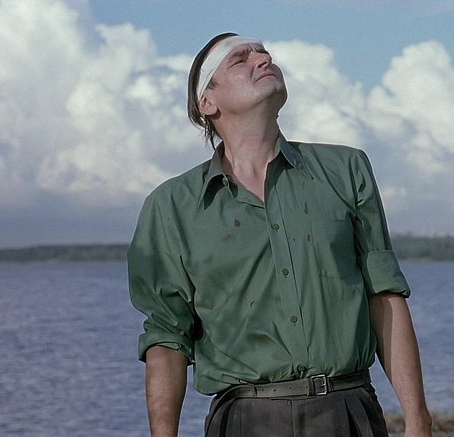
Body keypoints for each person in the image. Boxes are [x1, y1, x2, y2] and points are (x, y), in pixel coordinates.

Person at [128, 32, 432, 437]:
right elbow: (167, 337)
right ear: (207, 102)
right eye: (241, 59)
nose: (263, 58)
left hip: (348, 412)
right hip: (243, 421)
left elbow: (385, 296)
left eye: (263, 51)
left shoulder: (346, 170)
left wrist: (418, 420)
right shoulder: (170, 207)